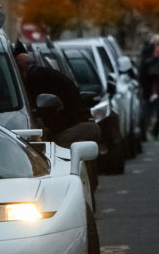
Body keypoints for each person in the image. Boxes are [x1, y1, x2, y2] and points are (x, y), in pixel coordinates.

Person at [14, 46, 100, 194]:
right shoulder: (46, 74)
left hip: (77, 128)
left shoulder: (36, 79)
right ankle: (86, 194)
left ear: (21, 68)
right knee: (79, 165)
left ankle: (69, 195)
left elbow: (41, 109)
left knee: (59, 158)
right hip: (86, 124)